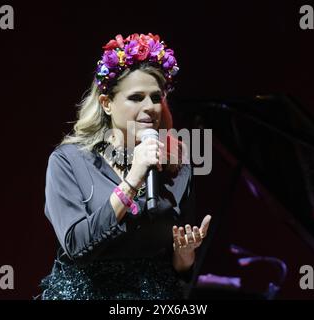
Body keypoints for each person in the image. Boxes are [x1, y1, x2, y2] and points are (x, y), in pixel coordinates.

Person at [39, 33, 211, 300]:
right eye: (136, 97)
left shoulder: (177, 166)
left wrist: (185, 255)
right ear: (107, 104)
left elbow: (177, 267)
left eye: (156, 97)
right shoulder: (68, 161)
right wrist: (132, 180)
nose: (150, 107)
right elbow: (76, 244)